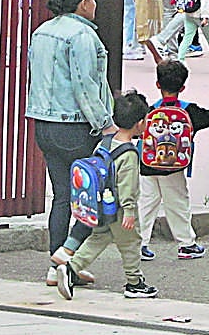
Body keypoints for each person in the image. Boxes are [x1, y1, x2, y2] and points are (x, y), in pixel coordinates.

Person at [27, 0, 112, 288]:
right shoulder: (82, 36)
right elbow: (85, 86)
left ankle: (57, 264)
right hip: (76, 126)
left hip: (44, 124)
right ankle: (69, 257)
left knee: (62, 195)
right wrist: (105, 123)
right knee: (90, 196)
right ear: (83, 4)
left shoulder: (41, 32)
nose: (95, 4)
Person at [56, 92, 158, 301]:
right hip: (119, 210)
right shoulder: (128, 153)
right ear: (140, 123)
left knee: (99, 238)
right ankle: (134, 282)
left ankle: (70, 268)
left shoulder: (105, 142)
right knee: (130, 243)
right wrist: (129, 211)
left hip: (100, 205)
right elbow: (128, 187)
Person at [139, 60, 209, 261]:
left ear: (158, 85)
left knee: (146, 203)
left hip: (147, 164)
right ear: (183, 87)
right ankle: (186, 244)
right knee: (177, 204)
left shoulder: (150, 111)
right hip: (173, 167)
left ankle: (138, 244)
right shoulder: (188, 111)